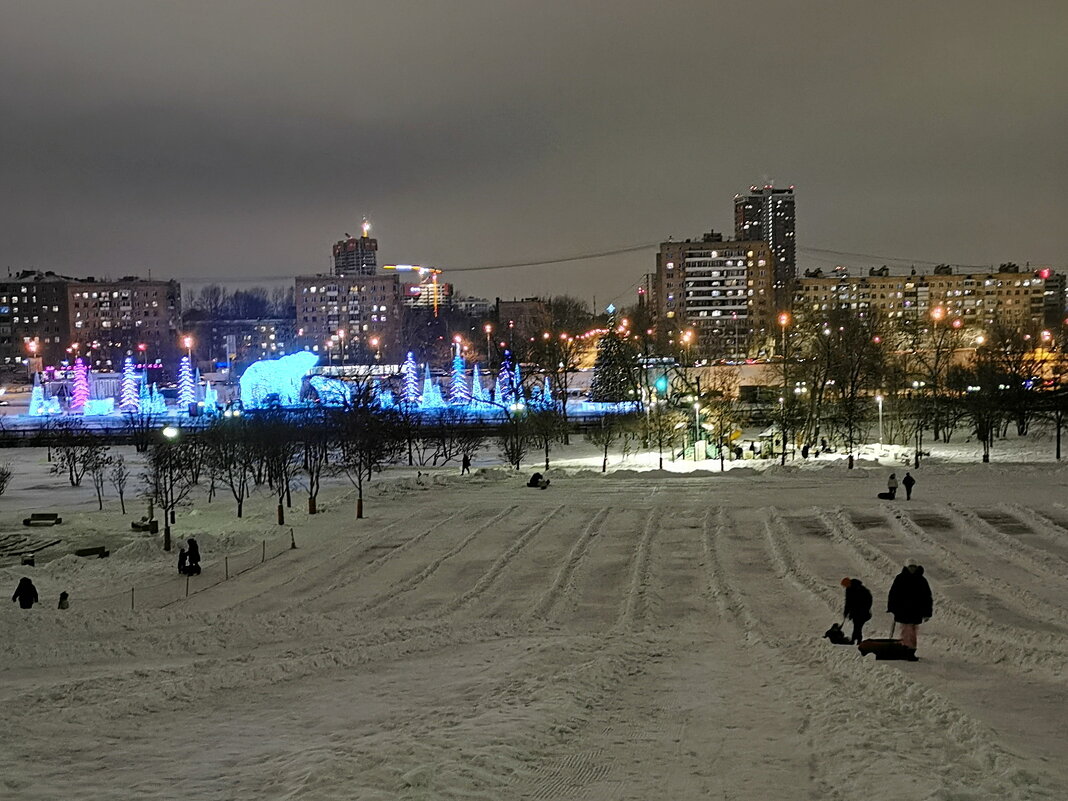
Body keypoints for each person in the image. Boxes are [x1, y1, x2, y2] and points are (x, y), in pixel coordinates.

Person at [887, 558, 933, 660]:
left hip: (916, 611)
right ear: (906, 567)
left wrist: (927, 612)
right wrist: (892, 607)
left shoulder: (921, 580)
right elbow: (893, 594)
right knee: (907, 630)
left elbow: (927, 597)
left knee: (912, 631)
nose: (912, 569)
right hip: (903, 610)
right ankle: (907, 650)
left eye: (914, 567)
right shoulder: (900, 579)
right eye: (910, 567)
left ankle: (910, 650)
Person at [841, 577, 873, 644]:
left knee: (858, 626)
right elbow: (848, 602)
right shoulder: (849, 590)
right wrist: (846, 612)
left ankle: (856, 640)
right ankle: (857, 639)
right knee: (857, 626)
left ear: (848, 583)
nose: (845, 587)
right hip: (855, 612)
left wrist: (865, 608)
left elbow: (869, 599)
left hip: (862, 611)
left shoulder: (860, 589)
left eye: (845, 585)